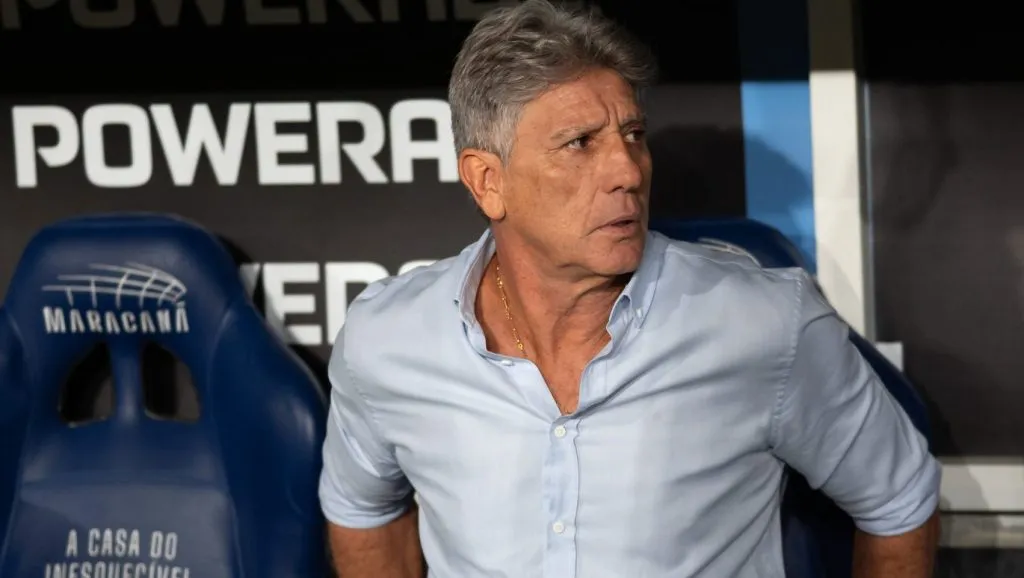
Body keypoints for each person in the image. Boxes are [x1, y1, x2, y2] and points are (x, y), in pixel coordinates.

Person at [318, 1, 942, 576]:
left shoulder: (764, 325)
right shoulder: (387, 339)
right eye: (580, 143)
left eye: (633, 135)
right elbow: (363, 510)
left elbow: (899, 501)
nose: (627, 170)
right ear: (488, 182)